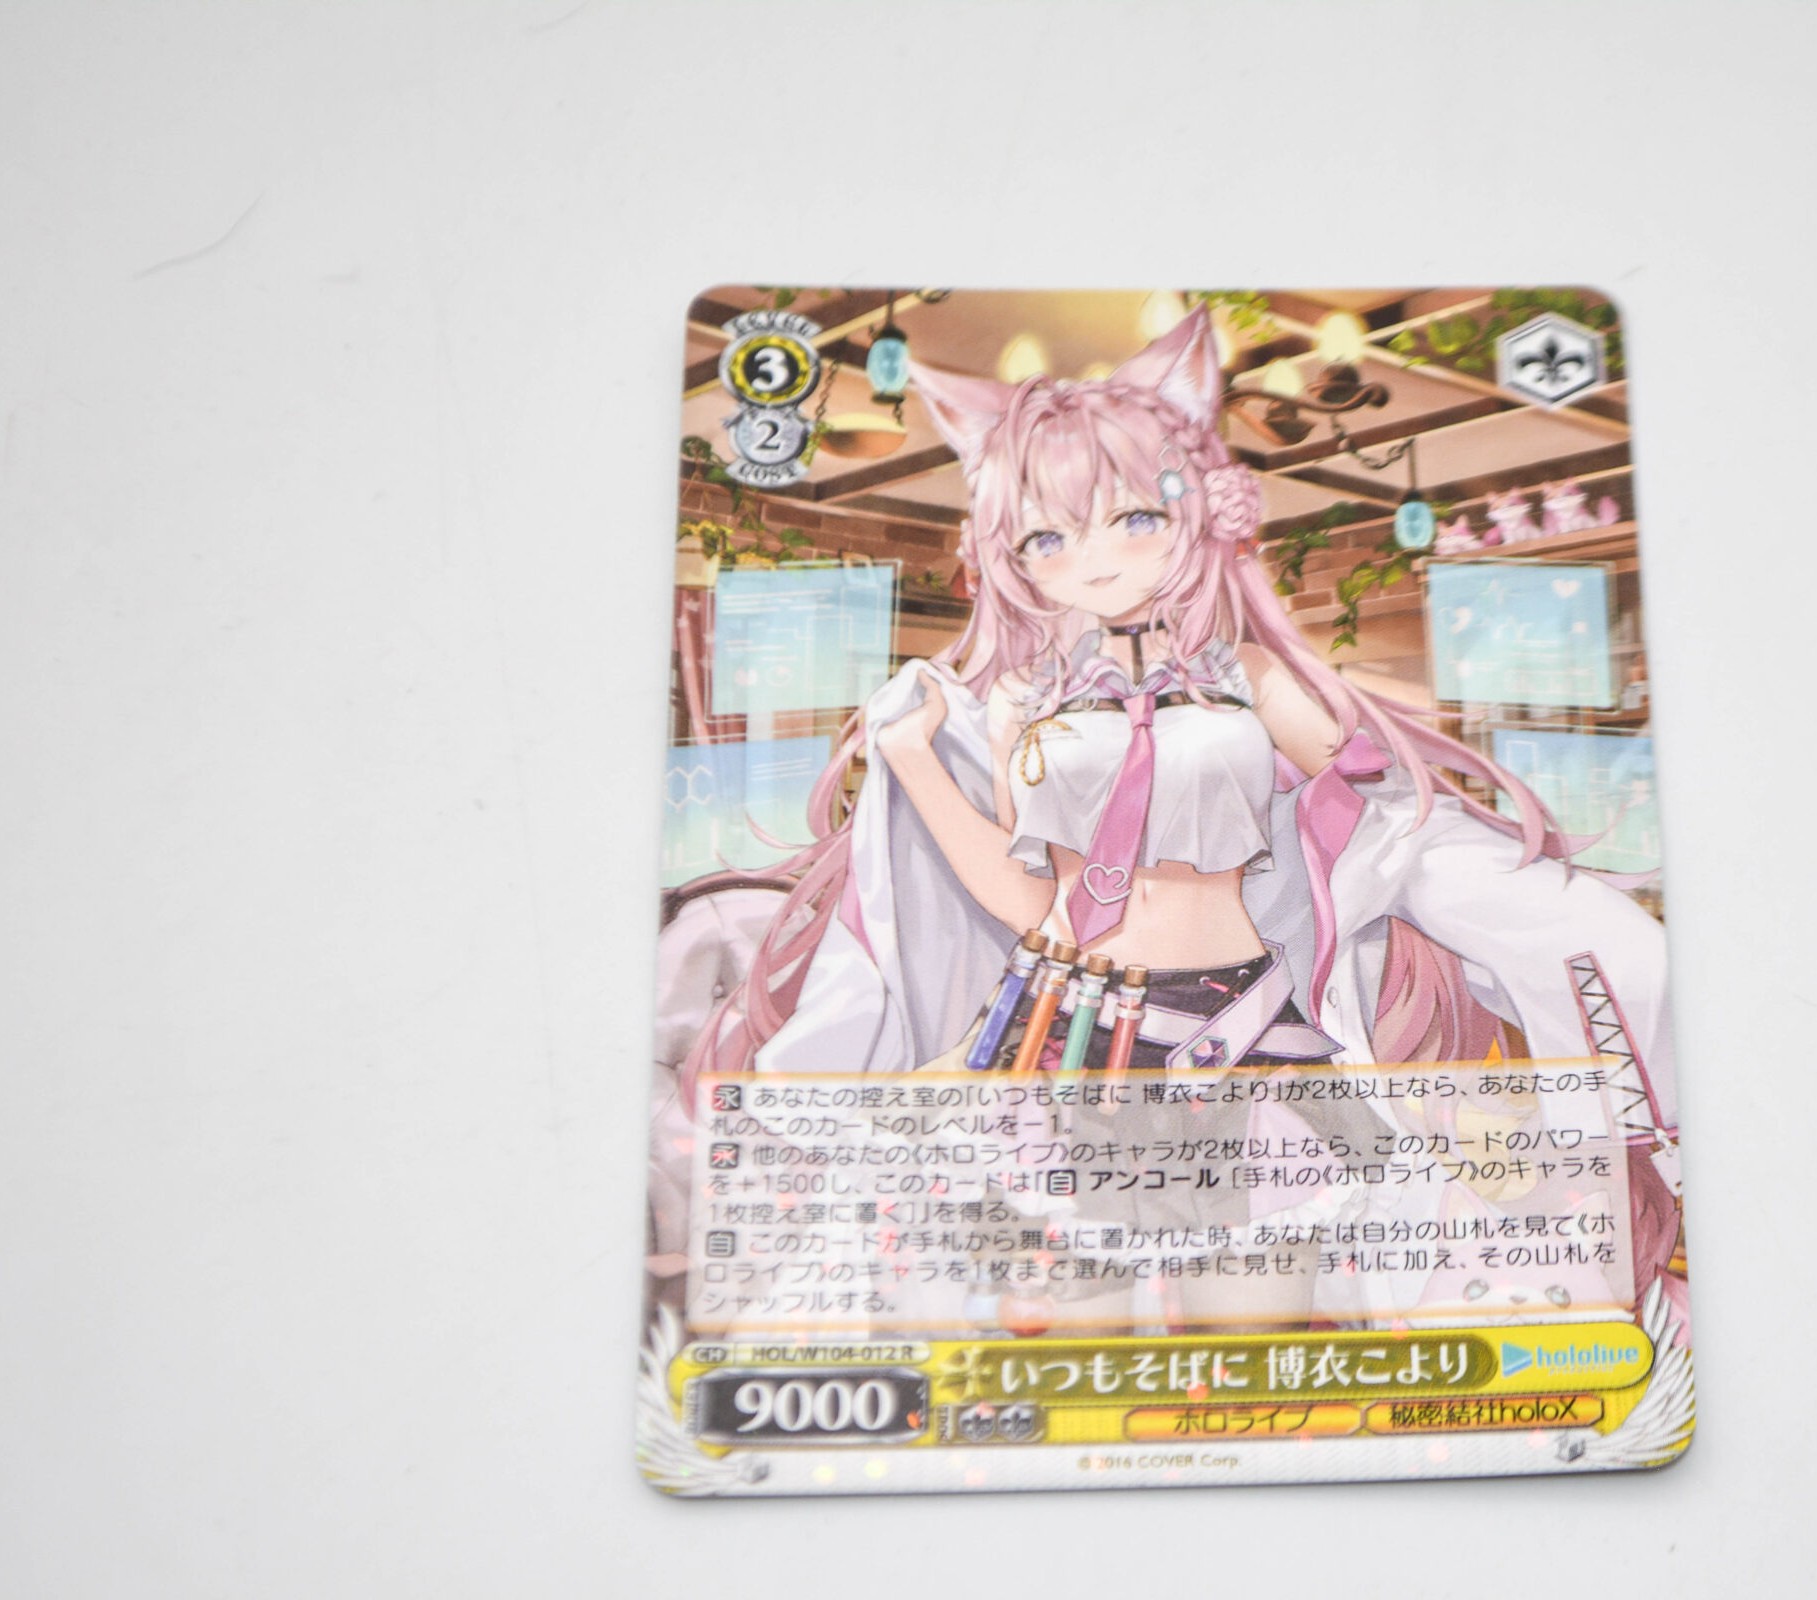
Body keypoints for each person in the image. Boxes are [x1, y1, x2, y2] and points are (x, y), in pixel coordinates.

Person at [652, 307, 1678, 1334]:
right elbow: (1028, 897)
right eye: (1048, 537)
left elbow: (1382, 812)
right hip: (1066, 1027)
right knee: (1076, 1344)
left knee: (1257, 1332)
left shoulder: (1254, 678)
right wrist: (915, 760)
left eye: (1134, 519)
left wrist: (1452, 871)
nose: (1094, 560)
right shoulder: (1022, 702)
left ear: (1200, 512)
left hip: (1240, 1027)